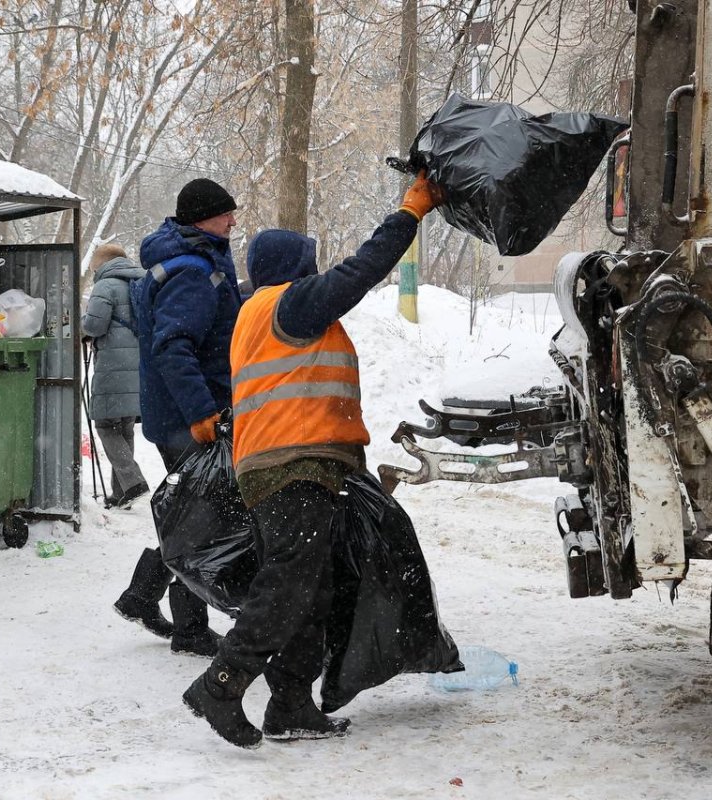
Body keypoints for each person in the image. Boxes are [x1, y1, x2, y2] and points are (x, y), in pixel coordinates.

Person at [181, 171, 445, 748]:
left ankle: (292, 703)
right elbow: (362, 270)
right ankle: (222, 684)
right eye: (310, 263)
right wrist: (410, 212)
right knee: (288, 584)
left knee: (312, 587)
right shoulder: (289, 305)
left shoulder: (259, 313)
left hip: (288, 466)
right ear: (294, 270)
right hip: (290, 465)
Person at [112, 177, 241, 657]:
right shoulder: (191, 271)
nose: (233, 221)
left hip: (180, 413)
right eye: (226, 213)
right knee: (199, 519)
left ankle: (142, 595)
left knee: (190, 511)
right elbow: (174, 347)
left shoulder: (195, 262)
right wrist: (203, 413)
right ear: (202, 219)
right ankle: (187, 627)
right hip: (188, 417)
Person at [81, 243, 148, 510]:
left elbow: (94, 325)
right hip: (140, 364)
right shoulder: (142, 282)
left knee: (105, 425)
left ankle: (133, 482)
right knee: (125, 426)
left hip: (113, 365)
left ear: (102, 264)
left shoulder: (105, 286)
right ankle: (122, 493)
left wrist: (80, 324)